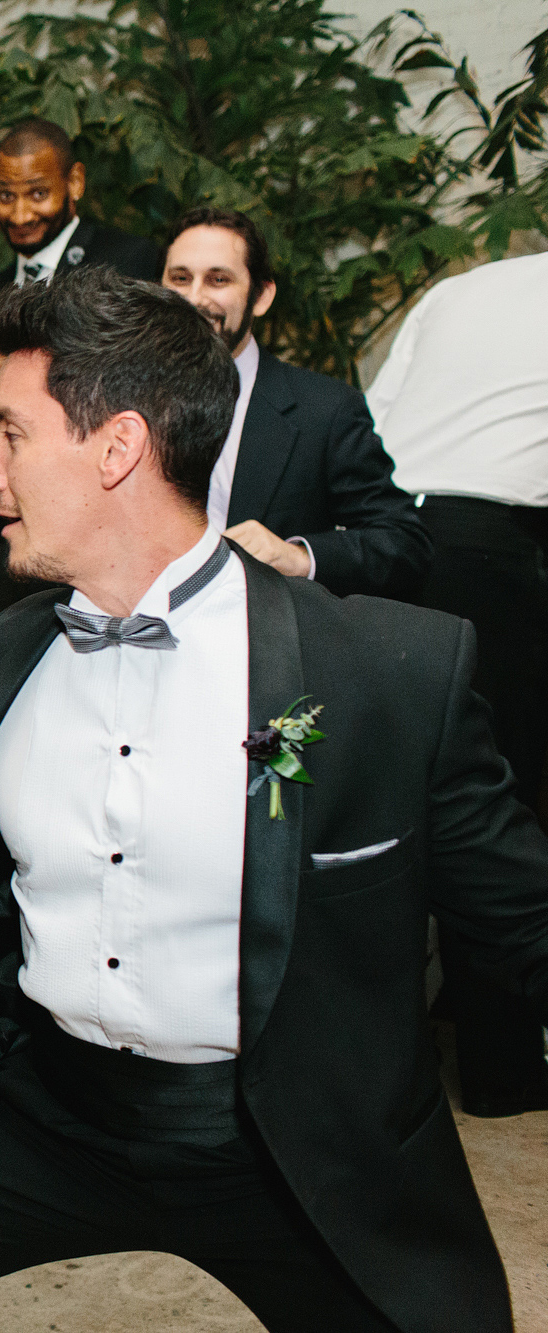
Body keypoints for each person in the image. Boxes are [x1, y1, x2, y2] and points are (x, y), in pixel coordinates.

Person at [0, 265, 548, 1333]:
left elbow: (522, 916)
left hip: (283, 1144)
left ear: (116, 446)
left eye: (9, 435)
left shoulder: (383, 672)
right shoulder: (9, 649)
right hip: (47, 1116)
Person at [369, 251, 548, 1118]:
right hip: (492, 551)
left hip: (385, 545)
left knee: (391, 800)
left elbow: (375, 423)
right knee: (494, 800)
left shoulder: (459, 287)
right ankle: (503, 1072)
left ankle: (396, 1048)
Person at [0, 119, 165, 636]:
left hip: (96, 547)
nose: (20, 214)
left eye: (38, 194)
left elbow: (139, 396)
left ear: (75, 183)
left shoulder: (127, 262)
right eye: (5, 196)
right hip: (4, 557)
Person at [161, 206, 429, 597]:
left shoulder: (325, 410)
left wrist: (298, 557)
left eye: (218, 279)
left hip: (262, 641)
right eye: (180, 278)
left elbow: (404, 544)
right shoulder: (114, 398)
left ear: (262, 295)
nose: (194, 298)